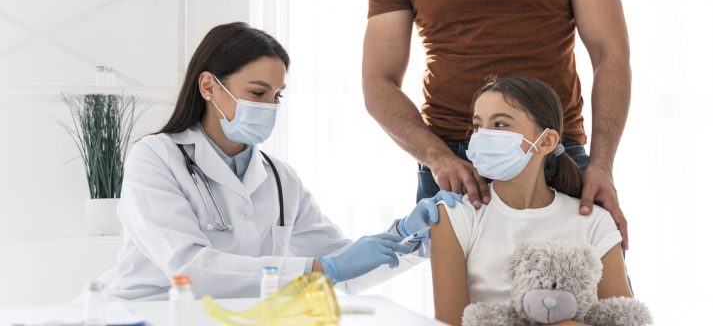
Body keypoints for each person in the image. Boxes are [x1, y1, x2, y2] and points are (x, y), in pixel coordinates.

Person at [363, 0, 631, 250]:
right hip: (455, 163)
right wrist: (437, 158)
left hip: (553, 152)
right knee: (467, 311)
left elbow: (610, 55)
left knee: (592, 303)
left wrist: (603, 166)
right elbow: (377, 82)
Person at [109, 22, 462, 301]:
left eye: (277, 95)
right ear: (208, 86)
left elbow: (344, 266)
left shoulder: (279, 179)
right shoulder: (156, 159)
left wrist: (410, 236)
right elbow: (190, 269)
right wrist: (327, 268)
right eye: (257, 93)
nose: (270, 106)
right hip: (150, 313)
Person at [429, 77, 632, 326]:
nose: (483, 137)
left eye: (500, 124)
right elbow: (449, 323)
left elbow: (625, 320)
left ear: (546, 141)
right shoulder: (454, 216)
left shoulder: (594, 221)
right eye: (478, 126)